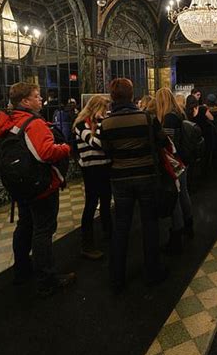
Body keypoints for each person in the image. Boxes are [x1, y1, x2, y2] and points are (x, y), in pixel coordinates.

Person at [0, 82, 74, 296]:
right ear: (25, 101)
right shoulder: (34, 123)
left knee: (25, 225)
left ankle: (21, 271)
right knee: (43, 231)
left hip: (20, 184)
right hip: (40, 186)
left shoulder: (9, 121)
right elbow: (46, 153)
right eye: (37, 96)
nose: (41, 99)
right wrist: (65, 148)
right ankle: (47, 279)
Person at [100, 78, 168, 293]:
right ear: (132, 95)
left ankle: (116, 278)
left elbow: (106, 150)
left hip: (120, 180)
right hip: (146, 176)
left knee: (121, 227)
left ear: (112, 97)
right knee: (149, 224)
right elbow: (163, 141)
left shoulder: (106, 123)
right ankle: (152, 273)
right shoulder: (146, 118)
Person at [73, 95, 112, 260]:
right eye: (103, 109)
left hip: (104, 167)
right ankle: (86, 244)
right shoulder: (81, 125)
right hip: (91, 170)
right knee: (91, 204)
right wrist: (103, 123)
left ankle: (108, 233)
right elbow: (96, 143)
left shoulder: (97, 124)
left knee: (105, 201)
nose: (106, 112)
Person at [156, 87, 193, 252]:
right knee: (184, 194)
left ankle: (176, 235)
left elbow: (168, 143)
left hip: (175, 162)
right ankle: (188, 226)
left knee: (175, 198)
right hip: (184, 160)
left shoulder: (169, 117)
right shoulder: (179, 113)